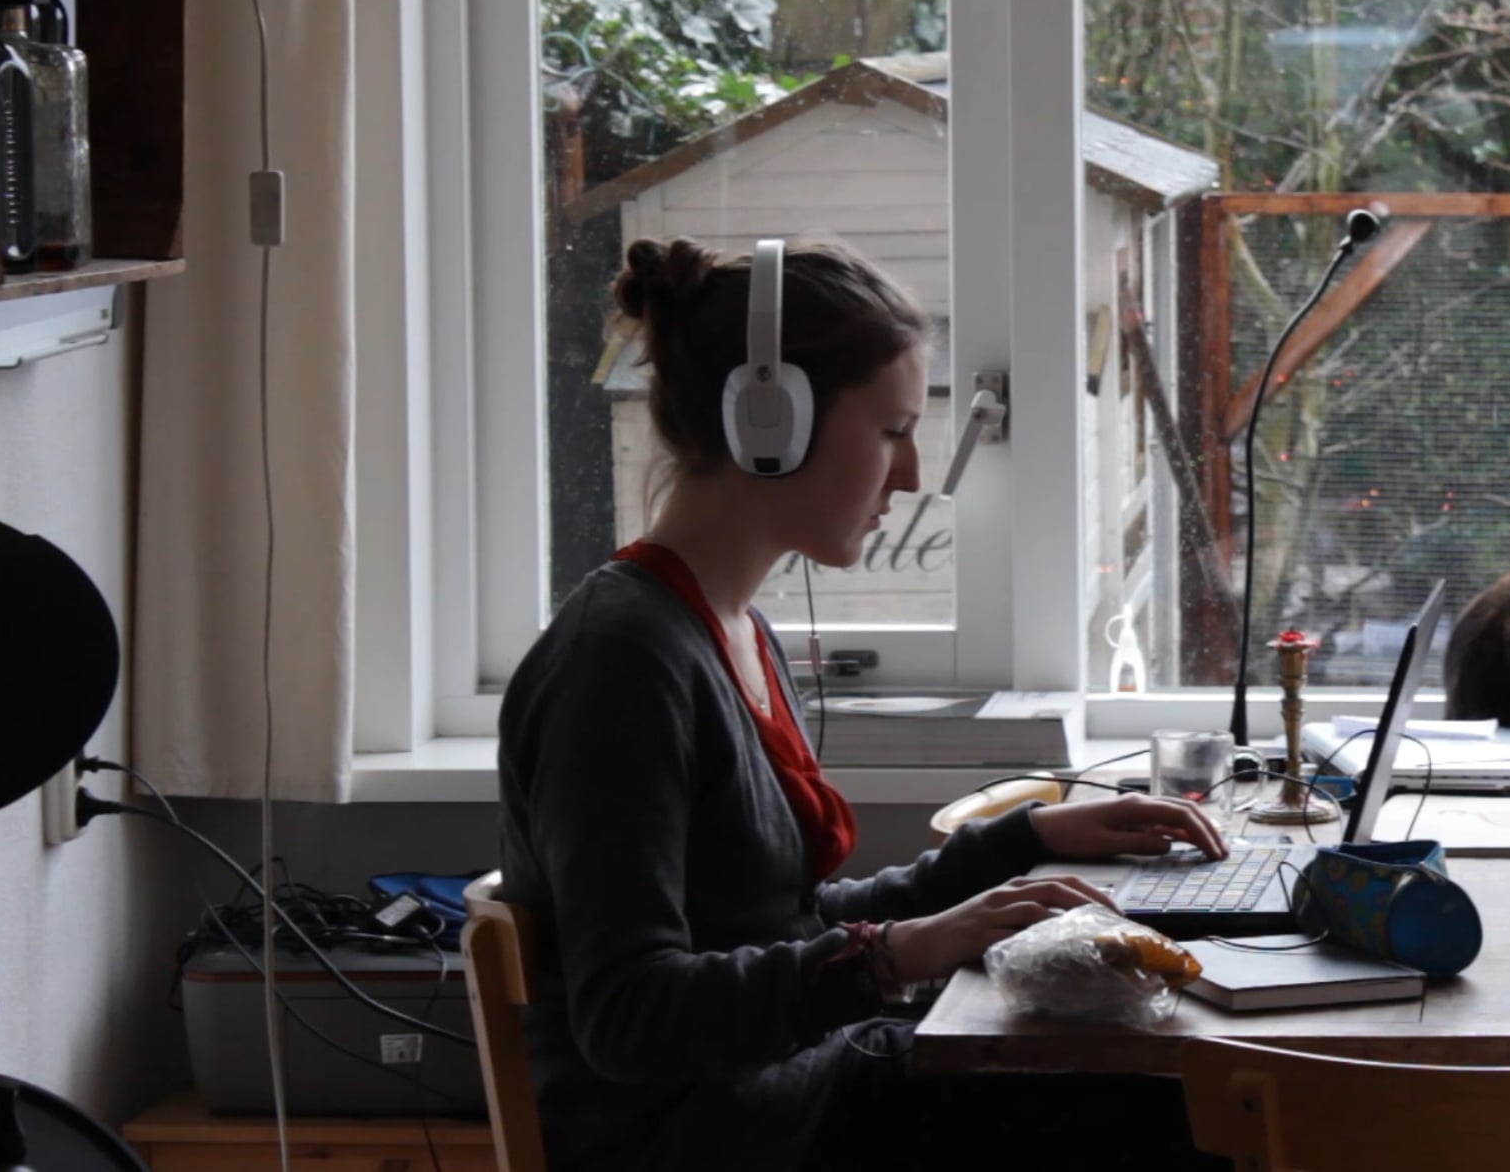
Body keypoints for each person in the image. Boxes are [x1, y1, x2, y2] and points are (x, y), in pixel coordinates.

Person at [497, 237, 1228, 1172]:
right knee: (1194, 1111)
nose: (913, 472)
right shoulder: (620, 665)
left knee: (1176, 1073)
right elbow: (630, 1016)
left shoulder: (725, 628)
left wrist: (1021, 844)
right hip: (730, 1141)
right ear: (771, 423)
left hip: (796, 1094)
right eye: (891, 430)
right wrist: (894, 955)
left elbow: (776, 925)